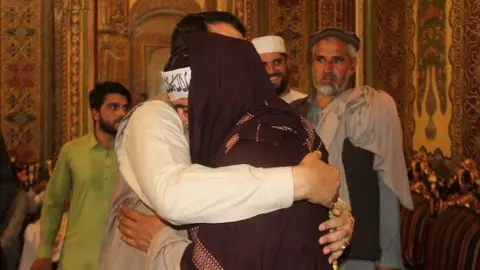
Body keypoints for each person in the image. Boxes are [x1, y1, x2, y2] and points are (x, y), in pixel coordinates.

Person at [100, 11, 350, 270]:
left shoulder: (248, 123)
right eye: (227, 48)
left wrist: (336, 212)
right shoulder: (154, 113)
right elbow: (174, 195)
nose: (241, 60)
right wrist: (299, 182)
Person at [293, 27, 414, 270]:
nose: (328, 69)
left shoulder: (371, 110)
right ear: (312, 64)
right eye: (320, 60)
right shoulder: (295, 115)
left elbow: (387, 187)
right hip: (304, 252)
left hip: (358, 255)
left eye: (337, 60)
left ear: (353, 66)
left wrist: (389, 260)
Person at [32, 82, 131, 270]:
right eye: (113, 107)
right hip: (78, 258)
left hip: (123, 258)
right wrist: (44, 252)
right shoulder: (72, 151)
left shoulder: (135, 151)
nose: (121, 113)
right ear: (95, 113)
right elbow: (54, 202)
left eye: (125, 108)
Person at [251, 35, 307, 103]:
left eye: (277, 62)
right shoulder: (245, 107)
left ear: (287, 63)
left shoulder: (305, 105)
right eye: (263, 65)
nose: (271, 71)